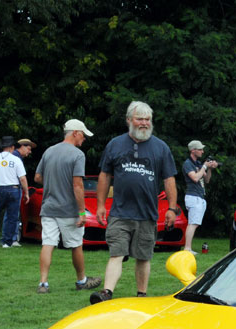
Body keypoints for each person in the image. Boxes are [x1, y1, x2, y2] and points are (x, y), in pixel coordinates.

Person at [89, 101, 179, 304]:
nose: (144, 123)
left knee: (143, 256)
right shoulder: (115, 144)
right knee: (116, 253)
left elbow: (169, 179)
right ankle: (106, 292)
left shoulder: (161, 148)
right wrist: (101, 205)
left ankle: (141, 295)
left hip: (147, 214)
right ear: (129, 120)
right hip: (120, 212)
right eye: (140, 119)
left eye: (148, 119)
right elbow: (104, 175)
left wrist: (172, 208)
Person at [33, 119, 102, 294]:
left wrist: (53, 182)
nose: (84, 139)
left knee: (48, 244)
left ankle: (43, 283)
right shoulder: (77, 155)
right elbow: (77, 185)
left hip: (48, 207)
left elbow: (38, 178)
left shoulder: (49, 151)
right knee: (76, 245)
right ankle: (81, 281)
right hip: (68, 209)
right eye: (83, 135)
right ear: (75, 133)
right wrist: (81, 212)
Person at [0, 135, 31, 247]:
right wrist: (26, 193)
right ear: (12, 147)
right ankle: (7, 242)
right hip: (13, 189)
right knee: (12, 216)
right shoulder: (16, 160)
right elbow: (22, 178)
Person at [182, 140, 217, 252]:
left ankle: (188, 247)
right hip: (193, 197)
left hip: (199, 197)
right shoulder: (188, 164)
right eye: (200, 149)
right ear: (193, 151)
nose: (202, 151)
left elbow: (206, 180)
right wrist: (205, 167)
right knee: (193, 223)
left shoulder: (197, 164)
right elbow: (195, 178)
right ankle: (187, 248)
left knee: (194, 223)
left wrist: (210, 168)